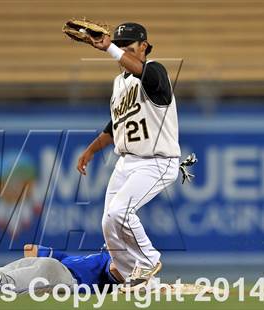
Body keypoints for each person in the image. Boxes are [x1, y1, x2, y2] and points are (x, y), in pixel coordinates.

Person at [77, 22, 181, 290]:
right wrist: (90, 150)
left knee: (120, 212)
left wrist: (109, 47)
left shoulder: (156, 70)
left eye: (128, 46)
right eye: (120, 45)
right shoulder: (118, 83)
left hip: (157, 160)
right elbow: (114, 126)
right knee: (108, 222)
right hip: (126, 162)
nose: (123, 51)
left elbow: (142, 72)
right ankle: (134, 278)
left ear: (144, 47)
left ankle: (148, 260)